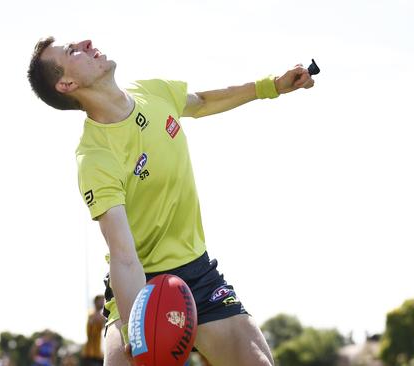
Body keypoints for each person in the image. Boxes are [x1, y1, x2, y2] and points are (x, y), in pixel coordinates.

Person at [27, 37, 314, 366]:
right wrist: (139, 329)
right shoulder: (95, 158)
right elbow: (124, 256)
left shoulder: (152, 92)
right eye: (71, 51)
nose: (86, 42)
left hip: (198, 272)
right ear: (67, 83)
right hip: (138, 286)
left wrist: (272, 86)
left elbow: (202, 102)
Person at [81, 295, 105, 366]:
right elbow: (98, 319)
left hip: (98, 353)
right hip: (90, 353)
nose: (103, 302)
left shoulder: (99, 316)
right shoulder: (92, 315)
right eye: (101, 301)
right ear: (95, 302)